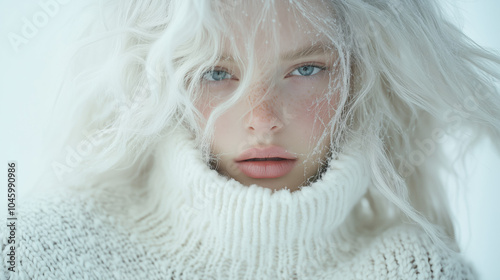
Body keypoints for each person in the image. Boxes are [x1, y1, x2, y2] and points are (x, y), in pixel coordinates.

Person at [2, 0, 499, 279]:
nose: (262, 119)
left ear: (362, 80)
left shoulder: (418, 270)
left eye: (307, 69)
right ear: (160, 83)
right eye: (216, 73)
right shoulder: (37, 250)